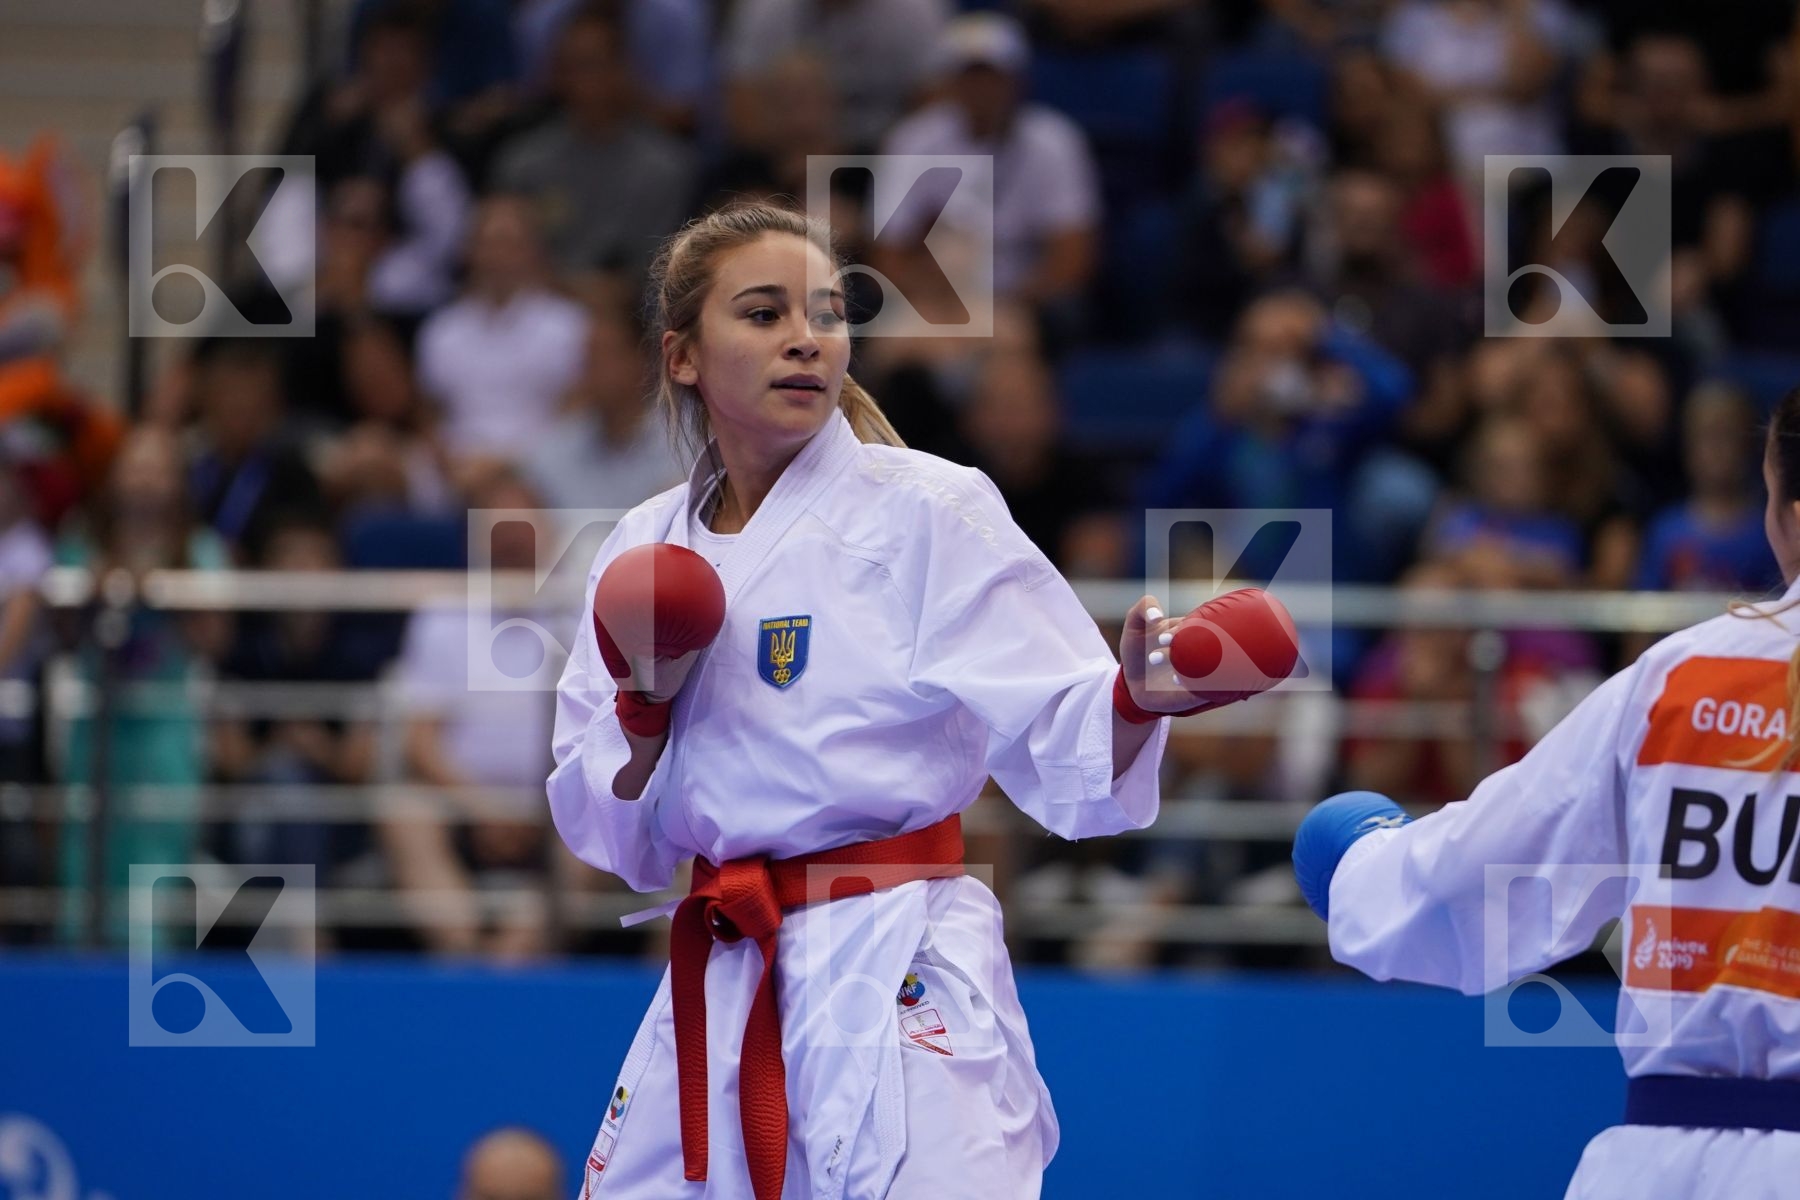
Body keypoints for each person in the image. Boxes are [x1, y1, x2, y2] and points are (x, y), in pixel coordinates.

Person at [545, 201, 1299, 1199]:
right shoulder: (643, 547)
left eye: (825, 313)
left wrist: (1140, 696)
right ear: (684, 356)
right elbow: (611, 834)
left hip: (894, 947)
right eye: (764, 314)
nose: (807, 338)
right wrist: (642, 717)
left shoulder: (929, 508)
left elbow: (1061, 728)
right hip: (728, 960)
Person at [1292, 382, 1800, 1199]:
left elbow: (1492, 864)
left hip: (1663, 1171)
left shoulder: (1684, 676)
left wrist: (1356, 863)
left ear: (1789, 520)